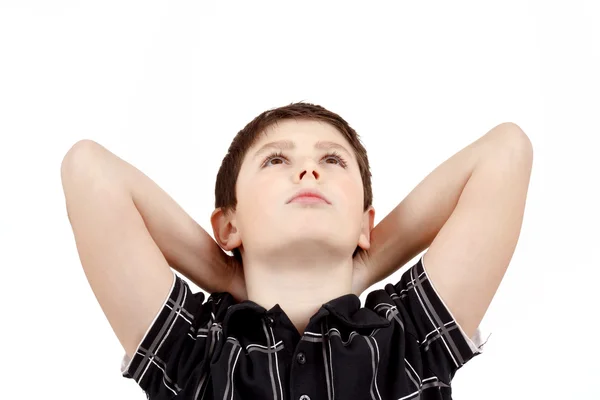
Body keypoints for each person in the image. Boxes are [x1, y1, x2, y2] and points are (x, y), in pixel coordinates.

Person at [61, 102, 533, 399]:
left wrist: (362, 268)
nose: (309, 170)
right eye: (276, 159)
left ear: (365, 224)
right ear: (229, 225)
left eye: (332, 159)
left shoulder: (405, 341)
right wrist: (226, 276)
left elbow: (506, 153)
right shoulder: (196, 353)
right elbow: (89, 172)